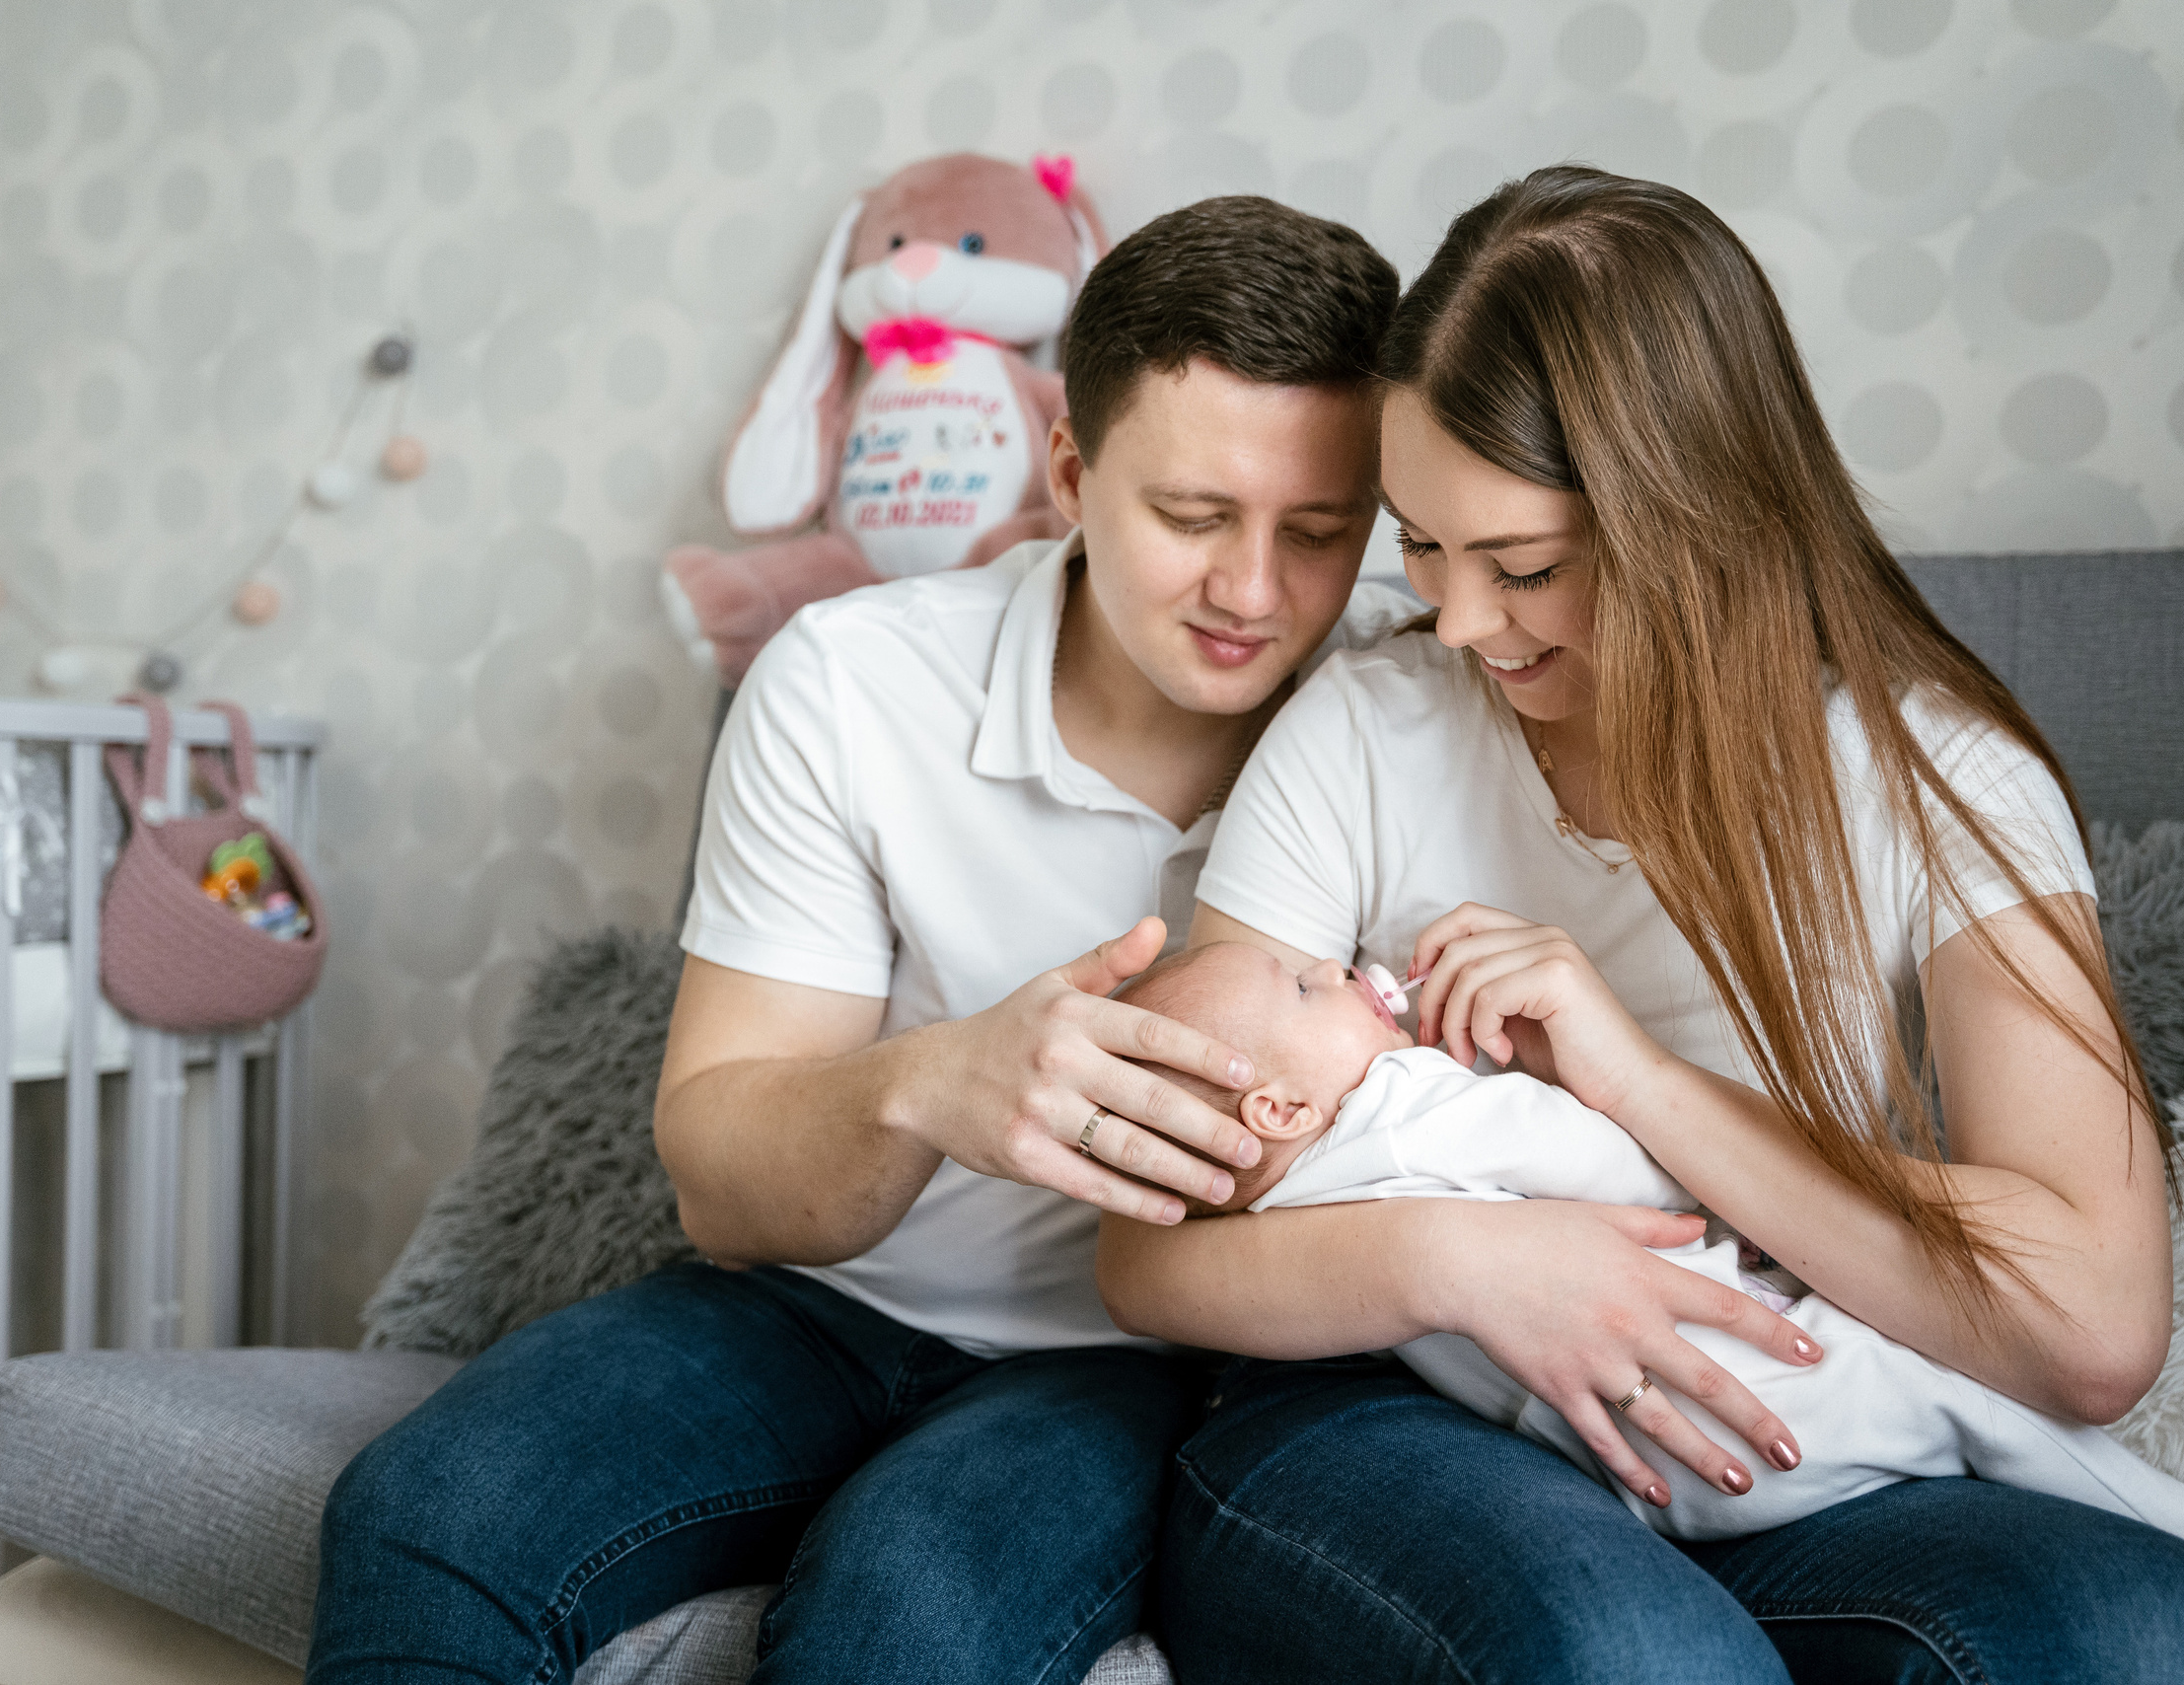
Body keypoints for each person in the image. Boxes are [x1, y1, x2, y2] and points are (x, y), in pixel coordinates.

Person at [1096, 166, 2184, 1683]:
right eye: (1422, 544)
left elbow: (2093, 1332)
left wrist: (1639, 1082)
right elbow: (1147, 1259)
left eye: (1525, 566)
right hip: (1389, 1403)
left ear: (1700, 521)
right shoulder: (1364, 732)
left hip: (1762, 1410)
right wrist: (1468, 1269)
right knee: (1630, 1656)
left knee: (2172, 1645)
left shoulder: (1936, 783)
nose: (1460, 625)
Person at [306, 195, 1407, 1684]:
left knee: (898, 1630)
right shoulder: (852, 683)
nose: (1255, 592)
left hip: (1133, 1371)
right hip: (818, 1305)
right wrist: (931, 1084)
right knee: (425, 1514)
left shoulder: (1411, 712)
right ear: (1071, 473)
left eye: (1321, 533)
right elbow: (721, 1178)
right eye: (1195, 518)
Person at [1113, 940, 2184, 1587]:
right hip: (1727, 1395)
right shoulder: (1401, 1103)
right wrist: (1684, 1179)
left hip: (1626, 1452)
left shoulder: (1297, 1190)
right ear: (1271, 1104)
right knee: (1954, 1394)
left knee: (1950, 1415)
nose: (1340, 969)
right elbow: (1592, 1162)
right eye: (1308, 983)